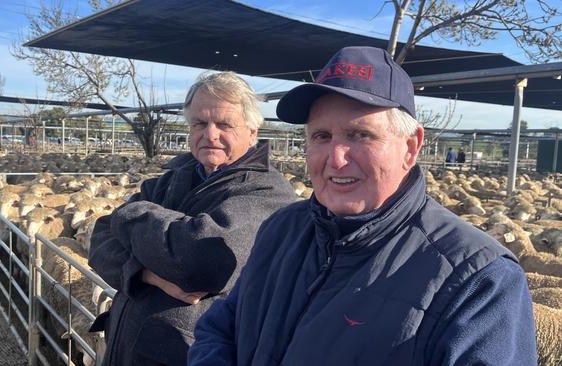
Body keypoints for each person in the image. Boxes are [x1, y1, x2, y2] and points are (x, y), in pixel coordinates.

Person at [189, 47, 537, 365]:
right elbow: (218, 331)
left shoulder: (478, 281)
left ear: (411, 146)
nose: (336, 159)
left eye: (360, 135)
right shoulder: (281, 229)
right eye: (321, 136)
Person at [87, 71, 296, 366]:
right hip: (128, 350)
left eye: (224, 124)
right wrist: (146, 274)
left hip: (190, 355)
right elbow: (99, 240)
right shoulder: (172, 178)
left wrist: (127, 214)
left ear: (252, 132)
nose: (210, 134)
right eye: (200, 123)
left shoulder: (266, 192)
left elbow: (203, 262)